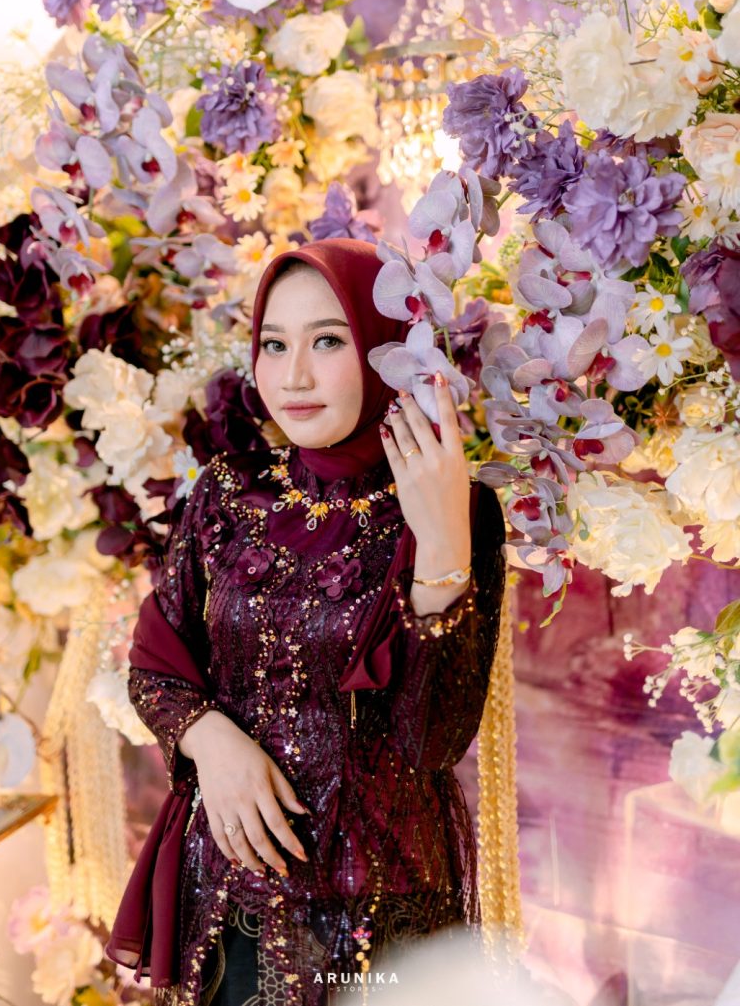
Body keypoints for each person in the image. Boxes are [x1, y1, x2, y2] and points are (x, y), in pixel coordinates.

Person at [106, 238, 506, 1006]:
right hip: (230, 891)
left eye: (327, 341)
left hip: (377, 905)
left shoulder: (456, 505)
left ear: (386, 352)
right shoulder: (229, 491)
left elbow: (432, 740)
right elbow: (155, 660)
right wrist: (212, 741)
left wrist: (442, 549)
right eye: (274, 344)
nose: (293, 376)